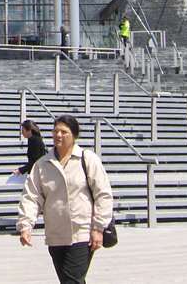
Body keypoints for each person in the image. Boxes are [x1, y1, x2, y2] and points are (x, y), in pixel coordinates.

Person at [17, 115, 113, 284]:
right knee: (70, 280)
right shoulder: (42, 165)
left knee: (71, 280)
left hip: (83, 233)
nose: (58, 135)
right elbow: (31, 197)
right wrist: (26, 226)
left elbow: (102, 194)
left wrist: (98, 227)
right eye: (55, 131)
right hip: (56, 235)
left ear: (74, 135)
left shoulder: (87, 159)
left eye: (64, 132)